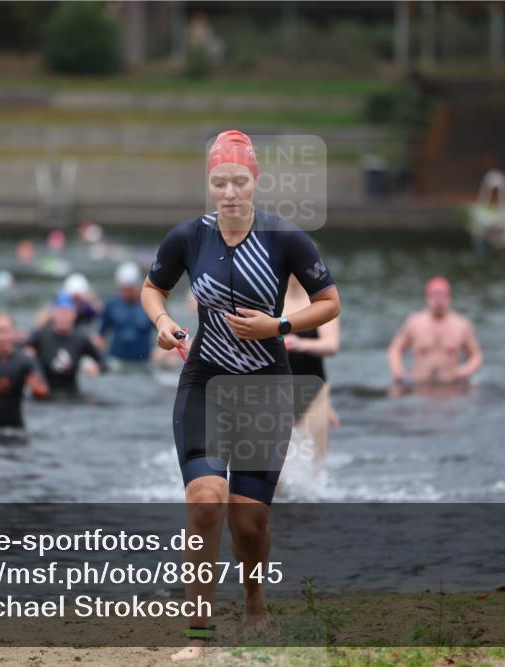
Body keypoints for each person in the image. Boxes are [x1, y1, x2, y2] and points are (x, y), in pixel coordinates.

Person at [141, 130, 340, 661]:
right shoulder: (188, 237)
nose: (230, 192)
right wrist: (162, 322)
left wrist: (279, 326)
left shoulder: (284, 237)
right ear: (209, 184)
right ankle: (199, 634)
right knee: (205, 501)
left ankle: (255, 600)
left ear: (256, 182)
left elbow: (329, 302)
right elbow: (152, 288)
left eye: (240, 181)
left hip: (264, 389)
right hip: (205, 381)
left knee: (247, 521)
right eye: (220, 182)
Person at [387, 276, 483, 394]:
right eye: (435, 295)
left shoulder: (461, 325)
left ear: (449, 297)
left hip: (451, 386)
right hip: (419, 386)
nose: (439, 300)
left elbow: (476, 355)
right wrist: (398, 371)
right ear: (427, 297)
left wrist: (464, 371)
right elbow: (395, 349)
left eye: (442, 295)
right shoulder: (415, 323)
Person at [283, 274, 340, 467]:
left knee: (315, 465)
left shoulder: (322, 302)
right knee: (273, 468)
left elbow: (331, 345)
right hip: (275, 391)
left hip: (314, 392)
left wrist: (300, 343)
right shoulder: (272, 300)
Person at [26, 292, 106, 397]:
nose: (63, 317)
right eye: (60, 312)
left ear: (74, 315)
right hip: (44, 394)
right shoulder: (40, 335)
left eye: (67, 313)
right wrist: (29, 365)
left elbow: (104, 362)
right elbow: (18, 353)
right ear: (53, 314)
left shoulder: (81, 339)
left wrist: (96, 368)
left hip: (71, 394)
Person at [96, 261, 155, 363]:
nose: (126, 293)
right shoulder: (111, 305)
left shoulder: (151, 305)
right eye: (123, 289)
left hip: (144, 361)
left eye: (130, 289)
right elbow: (100, 335)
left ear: (138, 286)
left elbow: (166, 332)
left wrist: (162, 352)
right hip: (116, 360)